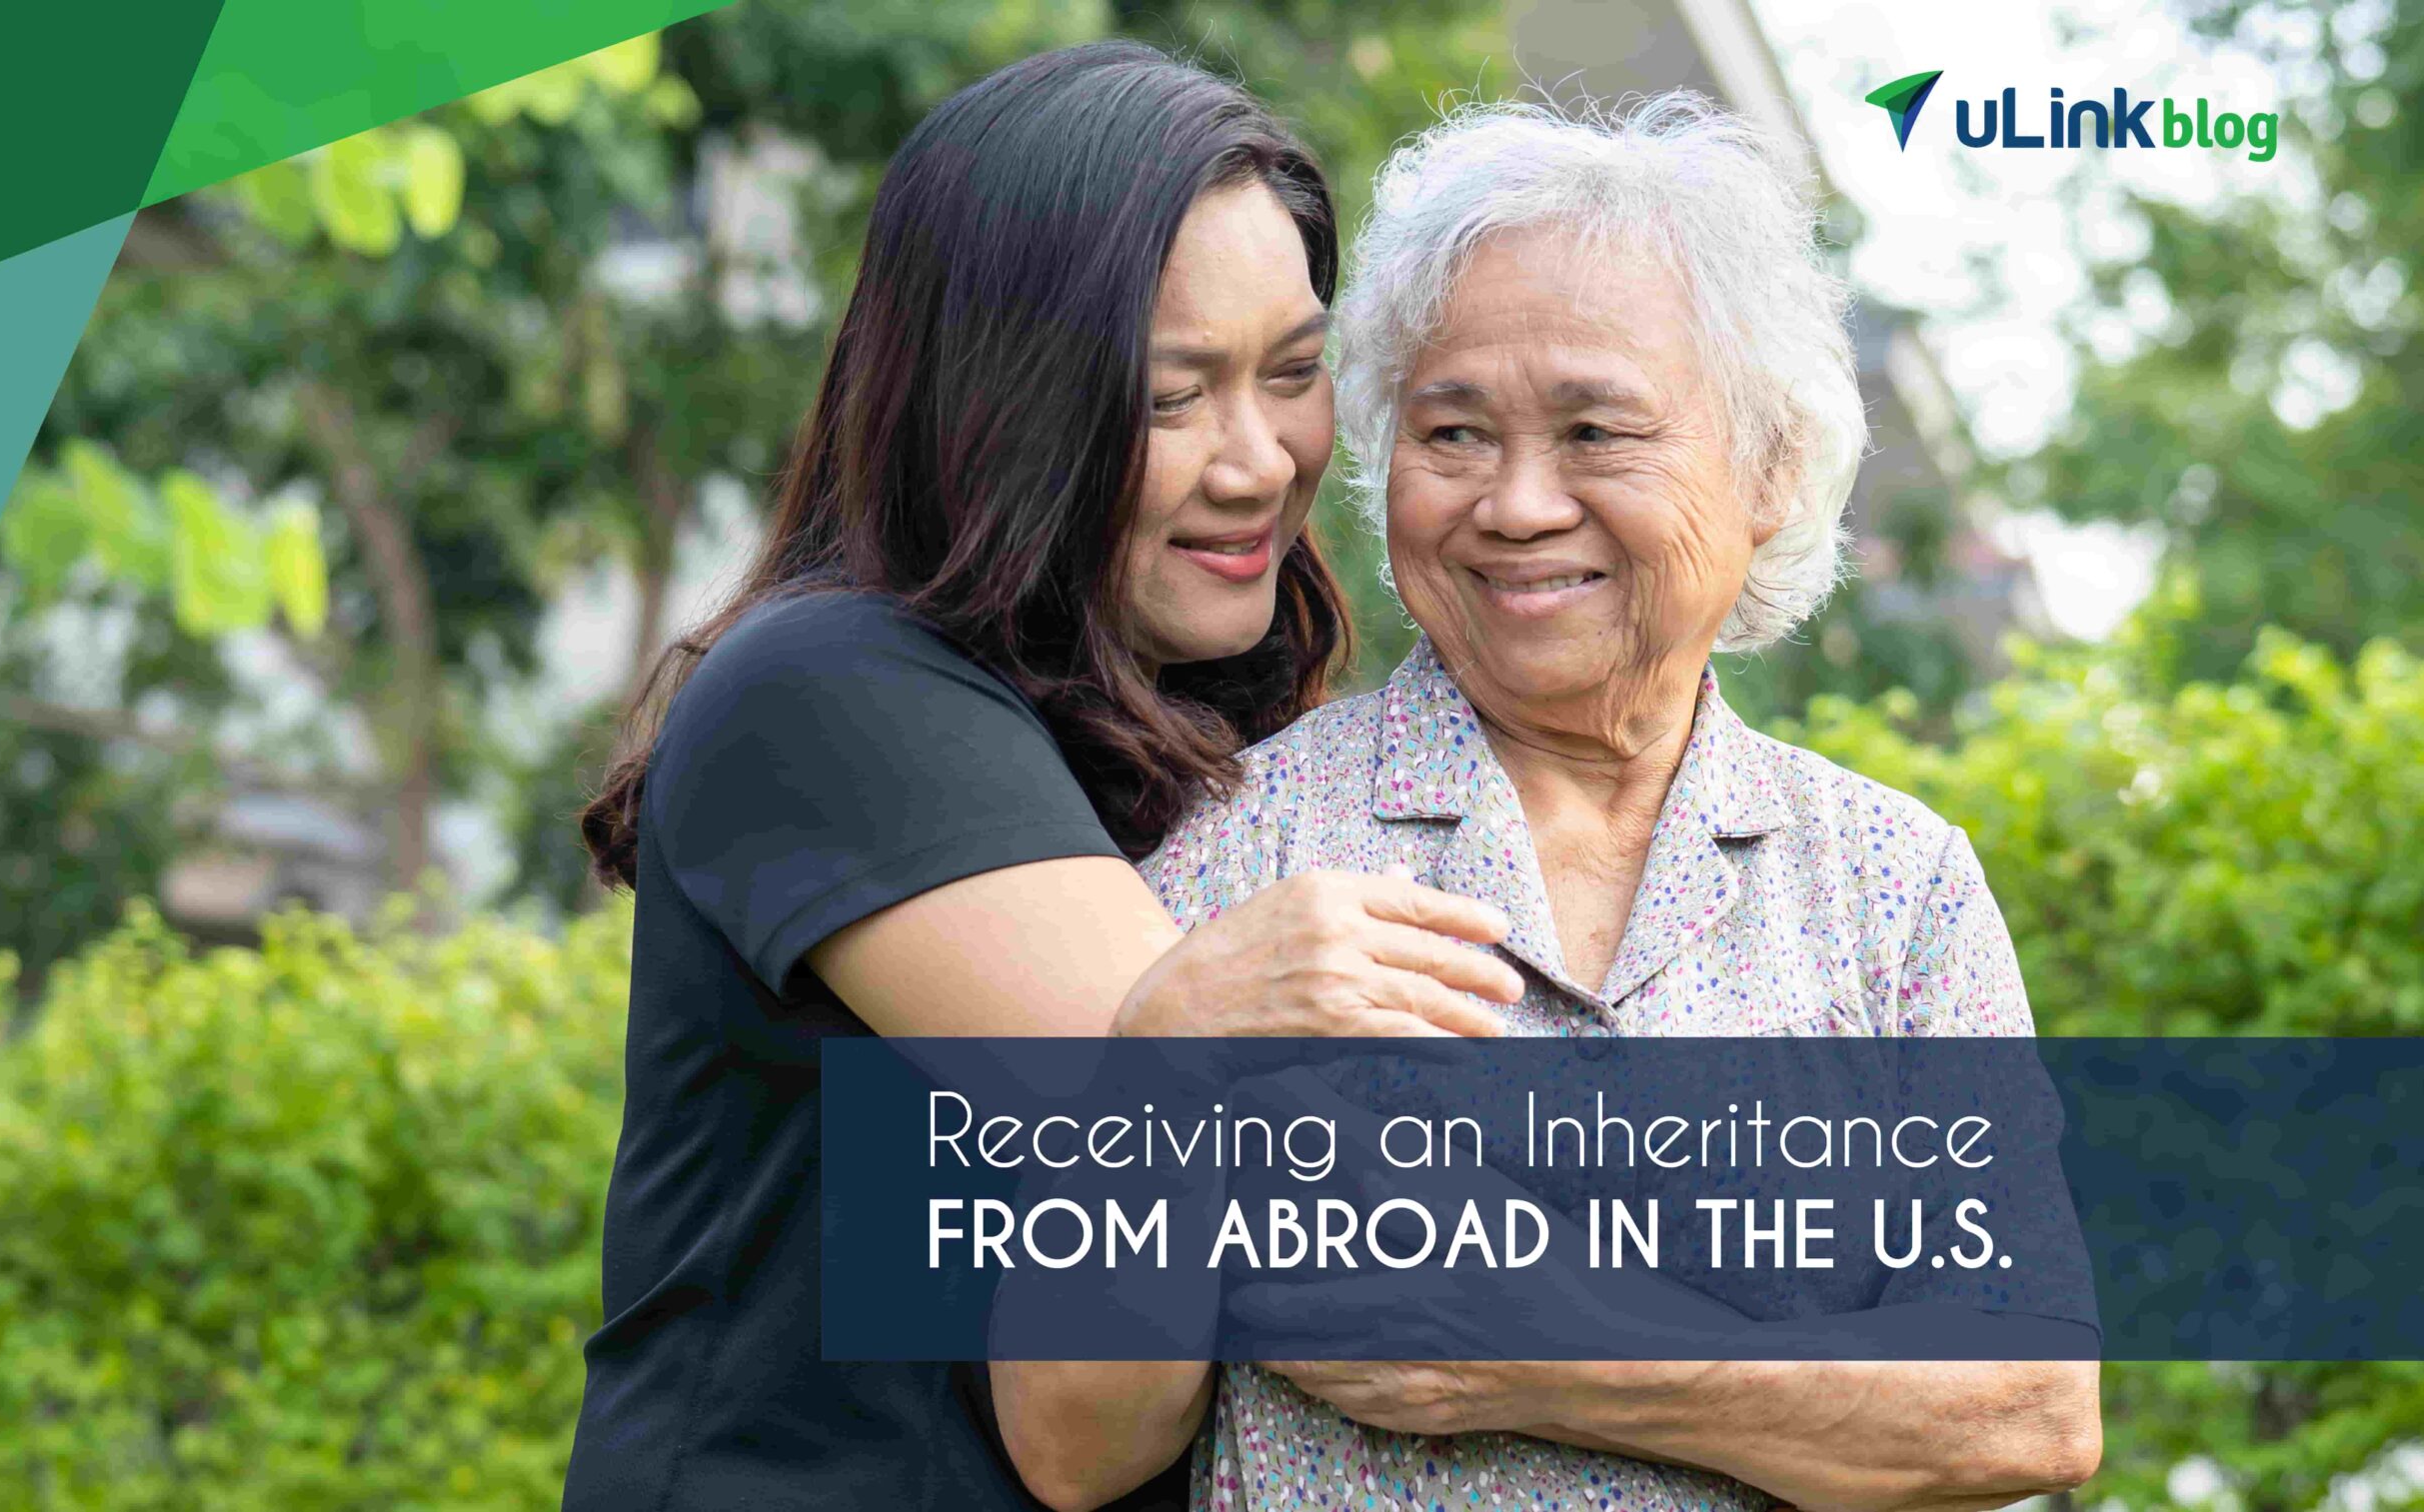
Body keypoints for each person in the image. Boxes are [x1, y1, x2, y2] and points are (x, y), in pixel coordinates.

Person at [997, 96, 2104, 1512]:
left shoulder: (1891, 883)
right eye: (1451, 433)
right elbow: (1074, 1442)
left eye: (1594, 430)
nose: (1516, 504)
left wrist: (1546, 1348)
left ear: (1768, 471)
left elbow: (2027, 1407)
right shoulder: (1247, 838)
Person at [561, 42, 1528, 1512]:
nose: (1257, 461)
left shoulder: (1176, 706)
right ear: (999, 403)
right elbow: (1323, 1221)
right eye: (1169, 396)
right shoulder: (836, 698)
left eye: (1292, 373)